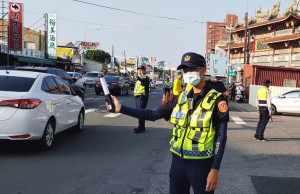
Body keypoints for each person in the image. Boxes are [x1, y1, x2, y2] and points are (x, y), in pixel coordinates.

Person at [108, 52, 229, 193]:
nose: (188, 73)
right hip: (178, 163)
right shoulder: (181, 98)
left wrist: (215, 169)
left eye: (192, 69)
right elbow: (153, 114)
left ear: (203, 69)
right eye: (185, 70)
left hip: (201, 165)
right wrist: (121, 108)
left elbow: (221, 136)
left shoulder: (217, 99)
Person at [133, 65, 150, 133]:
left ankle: (141, 128)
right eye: (138, 69)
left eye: (141, 69)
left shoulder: (145, 77)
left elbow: (144, 81)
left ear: (144, 70)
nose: (139, 71)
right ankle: (141, 127)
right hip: (137, 97)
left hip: (142, 97)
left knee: (141, 112)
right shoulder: (139, 78)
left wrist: (138, 78)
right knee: (139, 112)